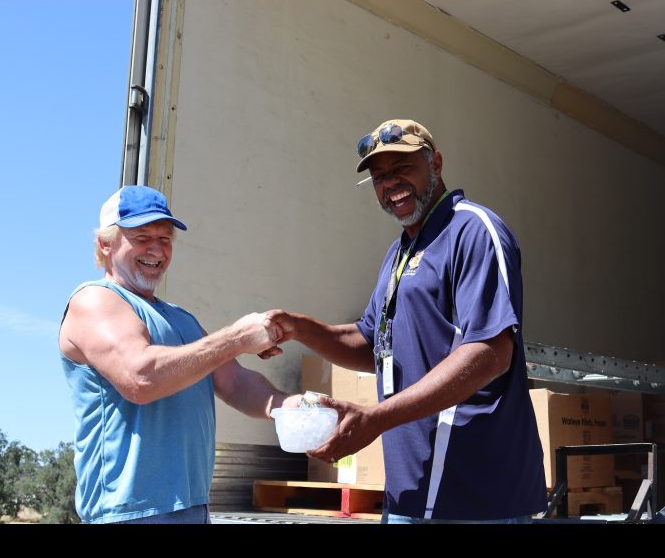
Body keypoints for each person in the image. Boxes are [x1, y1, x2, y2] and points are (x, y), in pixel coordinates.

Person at [263, 120, 547, 523]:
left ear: (436, 164)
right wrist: (298, 327)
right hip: (411, 493)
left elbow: (490, 353)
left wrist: (375, 419)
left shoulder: (472, 230)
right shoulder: (400, 253)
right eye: (379, 177)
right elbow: (371, 343)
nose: (390, 185)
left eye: (402, 169)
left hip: (478, 496)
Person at [59, 185, 299, 524]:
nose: (156, 249)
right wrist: (234, 338)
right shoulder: (94, 301)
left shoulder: (181, 319)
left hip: (192, 506)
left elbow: (235, 382)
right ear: (105, 244)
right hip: (127, 512)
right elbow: (140, 378)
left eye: (166, 238)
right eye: (142, 237)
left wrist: (294, 408)